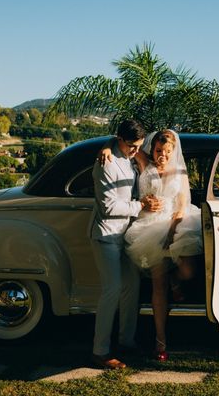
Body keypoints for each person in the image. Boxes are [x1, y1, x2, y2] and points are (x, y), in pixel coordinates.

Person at [100, 129, 203, 361]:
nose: (162, 156)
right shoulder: (144, 161)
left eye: (167, 152)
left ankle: (176, 280)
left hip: (176, 224)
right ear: (152, 148)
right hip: (147, 227)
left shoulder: (180, 172)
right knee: (159, 283)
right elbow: (120, 141)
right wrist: (105, 147)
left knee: (187, 271)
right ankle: (160, 340)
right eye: (158, 150)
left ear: (174, 151)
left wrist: (171, 233)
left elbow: (183, 206)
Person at [90, 119, 162, 370]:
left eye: (138, 146)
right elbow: (109, 208)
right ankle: (100, 351)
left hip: (127, 233)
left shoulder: (126, 152)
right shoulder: (105, 164)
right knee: (112, 289)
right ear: (119, 138)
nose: (135, 150)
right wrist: (141, 205)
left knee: (131, 285)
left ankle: (126, 340)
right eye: (131, 145)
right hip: (107, 234)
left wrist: (109, 144)